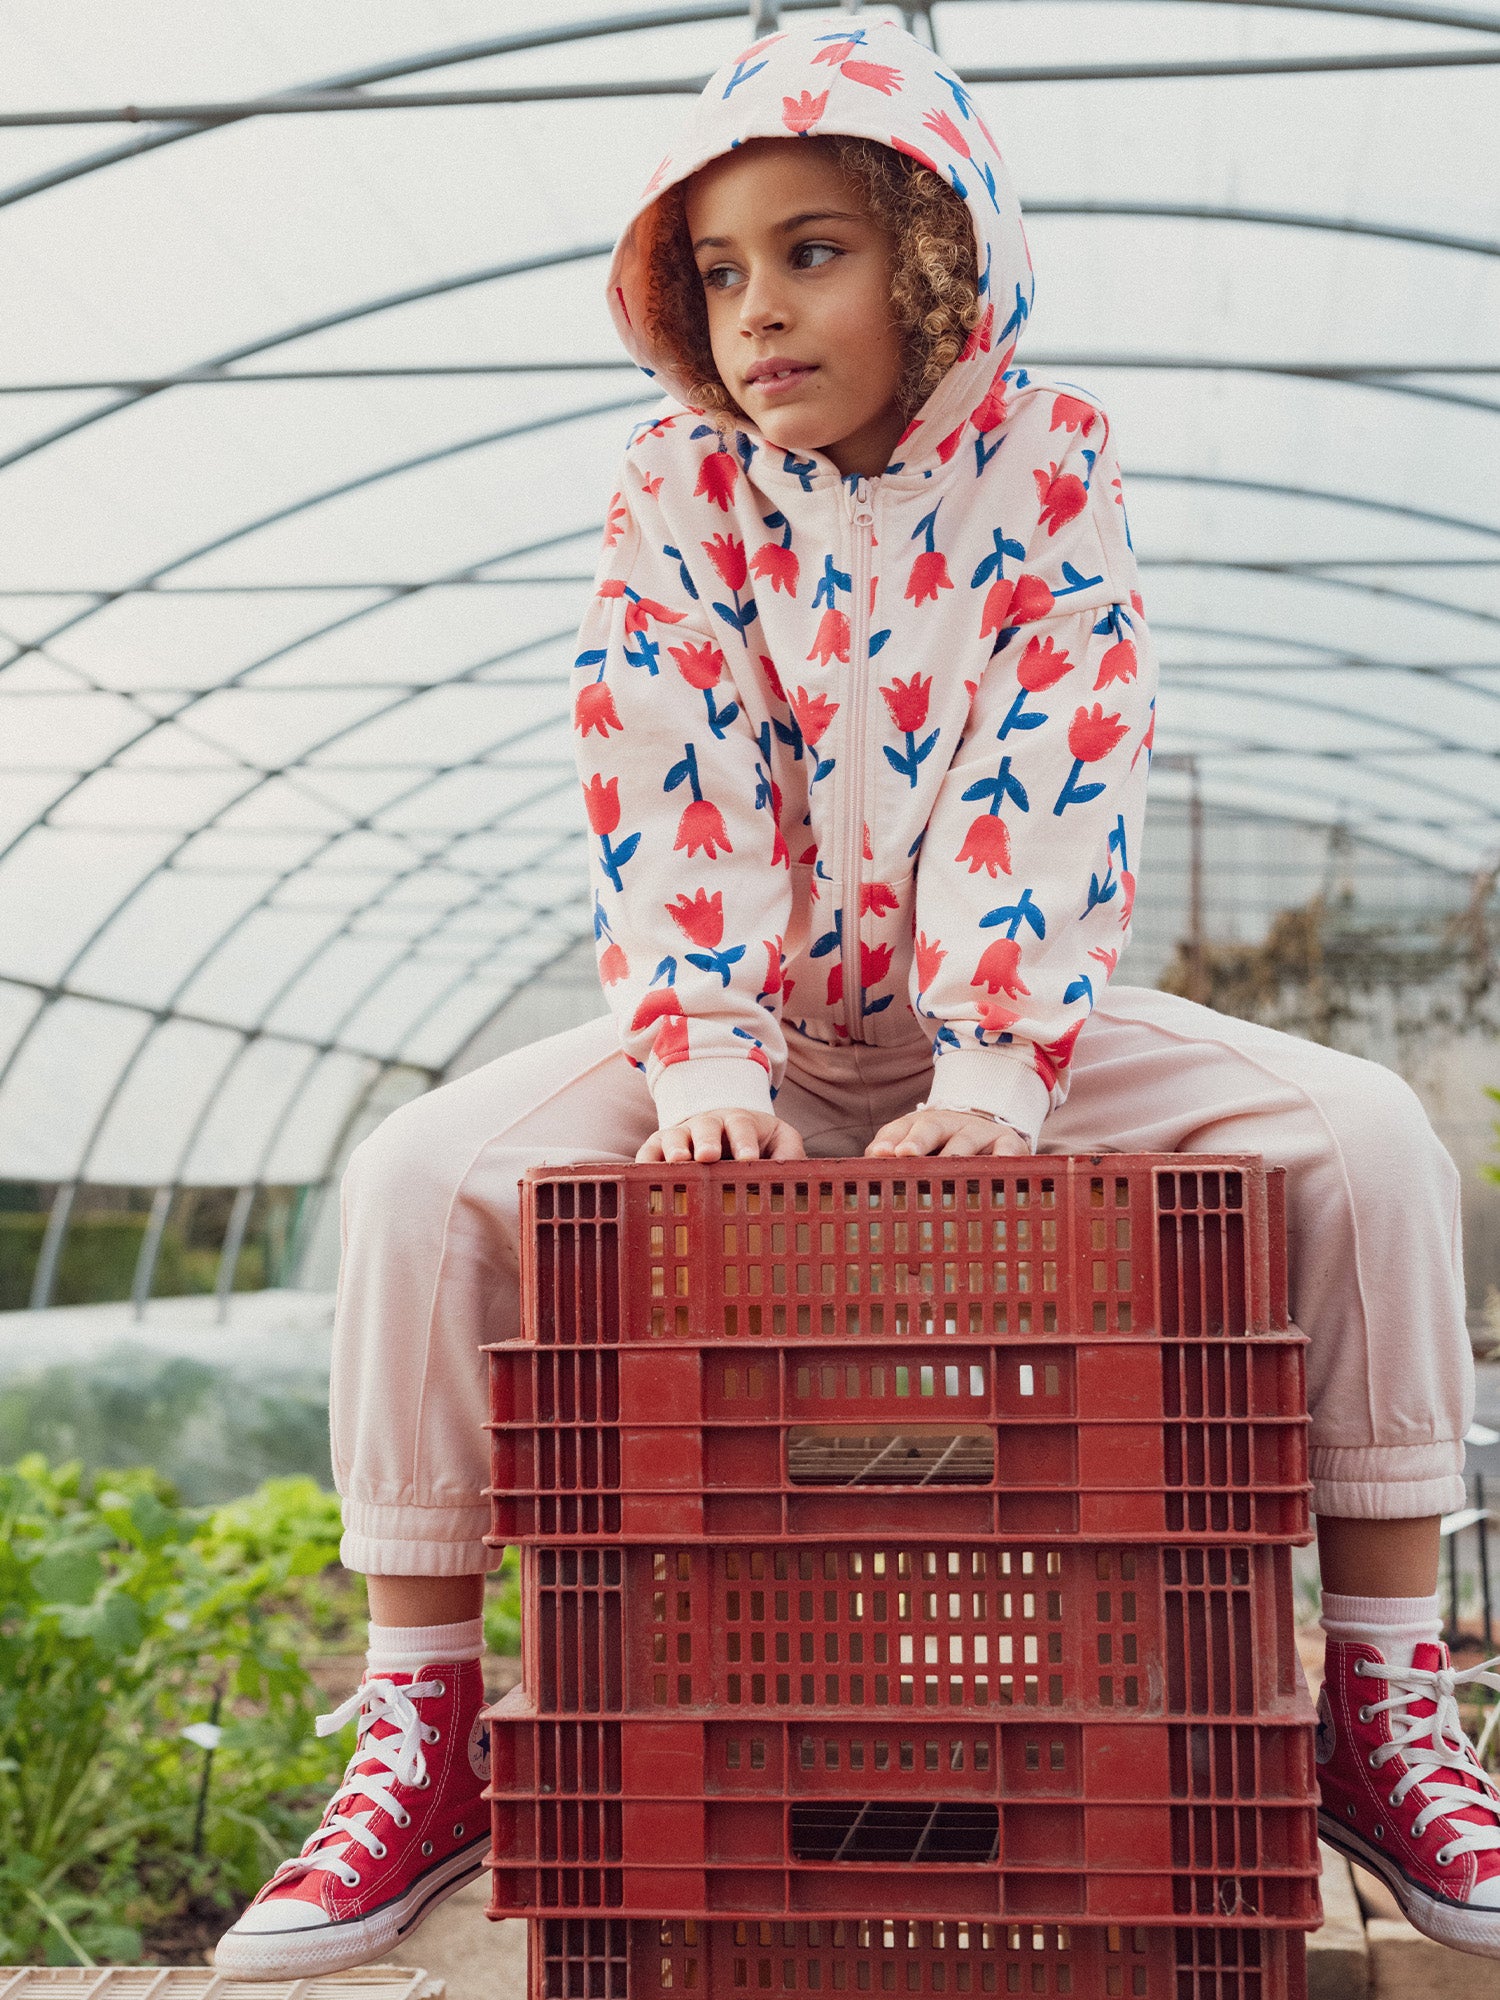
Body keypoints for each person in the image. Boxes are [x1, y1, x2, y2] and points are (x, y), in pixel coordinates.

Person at [215, 15, 1494, 1976]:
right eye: (718, 272)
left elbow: (1056, 755)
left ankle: (1385, 1713)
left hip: (1020, 1044)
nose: (756, 314)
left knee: (1372, 1139)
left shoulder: (1052, 468)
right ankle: (427, 1731)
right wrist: (706, 1046)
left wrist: (996, 1062)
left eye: (809, 252)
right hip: (743, 1043)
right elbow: (668, 763)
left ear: (931, 263)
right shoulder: (676, 488)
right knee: (413, 1182)